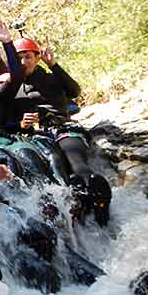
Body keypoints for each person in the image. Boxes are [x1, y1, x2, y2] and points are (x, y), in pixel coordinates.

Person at [12, 36, 111, 226]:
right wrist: (21, 124)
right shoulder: (14, 87)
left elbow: (74, 91)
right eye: (19, 58)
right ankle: (73, 204)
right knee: (52, 168)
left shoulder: (50, 78)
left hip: (63, 128)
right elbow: (7, 116)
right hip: (38, 136)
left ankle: (96, 193)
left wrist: (54, 65)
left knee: (76, 163)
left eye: (28, 57)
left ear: (37, 58)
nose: (24, 62)